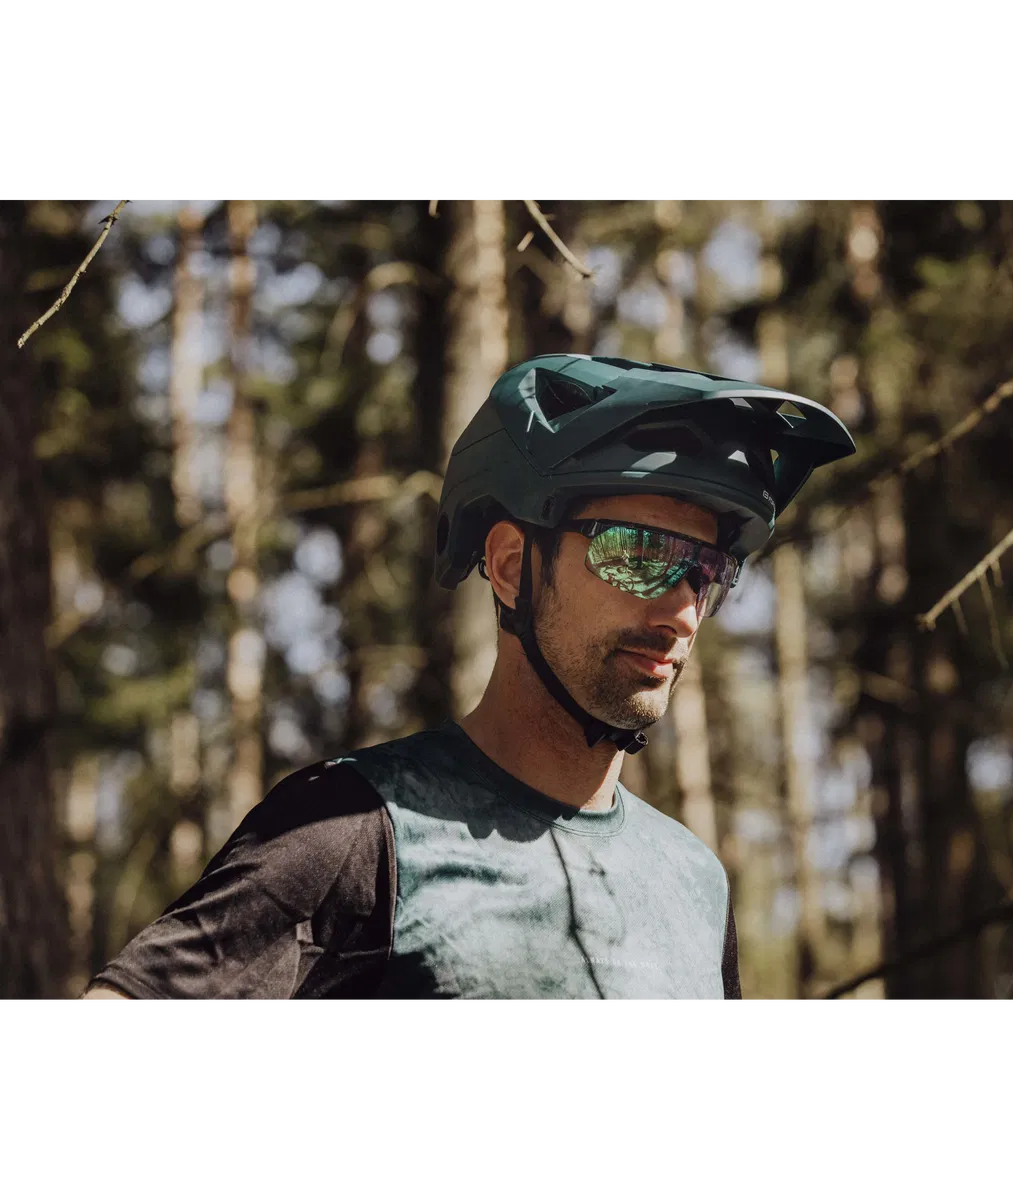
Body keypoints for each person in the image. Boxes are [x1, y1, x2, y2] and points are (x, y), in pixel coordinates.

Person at [82, 353, 854, 1001]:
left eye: (707, 573)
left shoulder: (695, 882)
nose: (683, 612)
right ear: (513, 567)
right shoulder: (357, 830)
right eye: (640, 555)